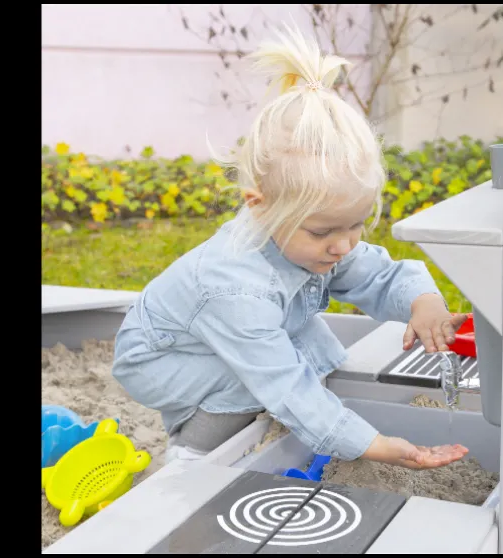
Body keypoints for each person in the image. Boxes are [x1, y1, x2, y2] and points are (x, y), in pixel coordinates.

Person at [112, 23, 470, 470]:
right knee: (250, 379)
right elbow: (284, 384)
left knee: (308, 349)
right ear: (260, 207)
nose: (343, 245)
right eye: (323, 233)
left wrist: (424, 302)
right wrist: (371, 444)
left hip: (221, 334)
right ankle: (193, 455)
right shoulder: (235, 287)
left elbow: (380, 274)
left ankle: (267, 428)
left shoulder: (319, 237)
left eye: (356, 225)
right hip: (160, 359)